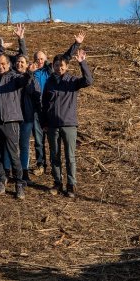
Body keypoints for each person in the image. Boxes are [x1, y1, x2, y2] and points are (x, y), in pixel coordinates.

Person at [40, 49, 93, 198]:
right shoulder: (49, 82)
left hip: (69, 124)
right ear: (53, 66)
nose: (59, 68)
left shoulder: (72, 81)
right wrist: (44, 122)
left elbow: (89, 81)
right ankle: (57, 182)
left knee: (70, 156)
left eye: (62, 65)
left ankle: (71, 185)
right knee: (54, 156)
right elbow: (44, 104)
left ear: (67, 66)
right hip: (52, 125)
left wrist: (82, 63)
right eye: (56, 65)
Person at [30, 32, 84, 176]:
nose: (39, 61)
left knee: (57, 147)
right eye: (37, 59)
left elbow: (65, 58)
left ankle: (62, 176)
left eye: (41, 58)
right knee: (38, 140)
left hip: (52, 109)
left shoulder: (51, 70)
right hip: (37, 109)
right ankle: (41, 164)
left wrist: (76, 44)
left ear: (46, 60)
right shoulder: (32, 71)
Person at [0, 54, 34, 199]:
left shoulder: (14, 78)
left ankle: (19, 185)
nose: (0, 67)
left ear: (8, 64)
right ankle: (0, 183)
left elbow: (24, 81)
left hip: (11, 120)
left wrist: (29, 72)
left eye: (3, 64)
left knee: (14, 155)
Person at [12, 54, 41, 185]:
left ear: (27, 64)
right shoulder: (11, 77)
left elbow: (37, 96)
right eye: (17, 62)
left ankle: (24, 171)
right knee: (11, 145)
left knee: (24, 145)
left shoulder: (33, 79)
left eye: (22, 62)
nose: (19, 64)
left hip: (27, 117)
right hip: (12, 117)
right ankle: (10, 171)